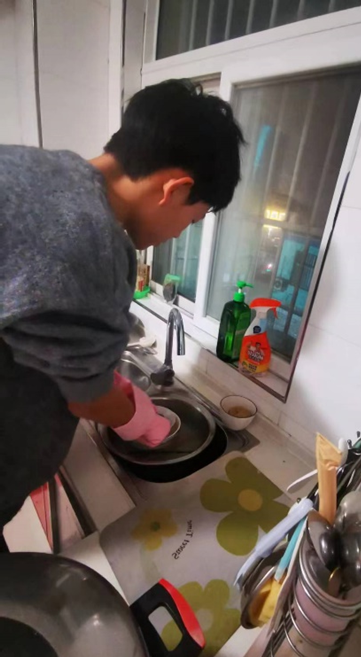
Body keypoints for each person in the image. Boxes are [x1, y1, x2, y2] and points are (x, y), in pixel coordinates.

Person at [0, 79, 244, 534]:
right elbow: (89, 399)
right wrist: (145, 421)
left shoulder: (32, 167)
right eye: (192, 220)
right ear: (175, 188)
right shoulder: (95, 241)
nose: (179, 234)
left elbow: (35, 322)